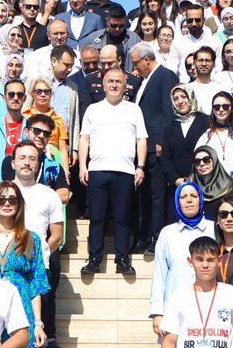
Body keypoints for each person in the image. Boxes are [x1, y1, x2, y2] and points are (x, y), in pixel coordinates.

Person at [78, 67, 148, 276]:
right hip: (97, 170)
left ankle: (122, 259)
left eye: (118, 81)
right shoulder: (93, 109)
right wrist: (82, 166)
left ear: (125, 85)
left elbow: (141, 140)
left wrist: (140, 166)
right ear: (103, 85)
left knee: (122, 217)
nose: (114, 85)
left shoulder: (134, 110)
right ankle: (94, 259)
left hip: (125, 171)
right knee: (97, 218)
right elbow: (84, 139)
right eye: (110, 81)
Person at [9, 138, 67, 348]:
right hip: (7, 265)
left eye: (32, 159)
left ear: (39, 163)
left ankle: (47, 345)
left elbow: (57, 235)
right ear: (13, 163)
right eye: (22, 158)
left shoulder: (49, 195)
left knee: (45, 307)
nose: (27, 163)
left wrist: (39, 256)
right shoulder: (2, 192)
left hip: (40, 263)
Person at [0, 183, 49, 348]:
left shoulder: (31, 238)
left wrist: (38, 323)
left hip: (21, 306)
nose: (7, 203)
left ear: (19, 204)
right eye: (1, 200)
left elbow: (36, 284)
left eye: (12, 200)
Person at [150, 182, 215, 337]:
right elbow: (159, 274)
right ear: (177, 202)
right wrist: (157, 312)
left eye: (194, 196)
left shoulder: (214, 229)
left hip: (209, 305)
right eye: (183, 197)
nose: (189, 200)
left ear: (201, 200)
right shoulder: (167, 233)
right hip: (175, 308)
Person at [131, 43, 179, 254]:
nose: (134, 67)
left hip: (157, 145)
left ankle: (157, 237)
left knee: (158, 194)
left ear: (146, 60)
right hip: (143, 147)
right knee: (144, 195)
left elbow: (169, 112)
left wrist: (162, 141)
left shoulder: (165, 76)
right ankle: (144, 235)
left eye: (136, 63)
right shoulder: (145, 80)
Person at [157, 86, 210, 228]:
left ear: (191, 97)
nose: (180, 101)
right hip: (178, 187)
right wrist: (176, 180)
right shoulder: (170, 127)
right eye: (175, 99)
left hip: (203, 184)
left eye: (183, 97)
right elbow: (165, 158)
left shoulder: (206, 121)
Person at [198, 92, 233, 176]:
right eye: (216, 107)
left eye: (225, 106)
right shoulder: (206, 137)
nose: (221, 110)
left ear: (232, 108)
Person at [172, 6, 223, 81]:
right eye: (190, 20)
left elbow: (220, 68)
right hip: (185, 86)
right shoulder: (177, 43)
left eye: (197, 20)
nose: (194, 24)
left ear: (204, 20)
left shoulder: (215, 42)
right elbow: (172, 69)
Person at [22, 77, 69, 158]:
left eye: (47, 92)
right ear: (32, 94)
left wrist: (64, 166)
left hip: (53, 159)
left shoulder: (58, 119)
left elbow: (62, 148)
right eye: (38, 91)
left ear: (51, 95)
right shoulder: (24, 116)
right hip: (29, 157)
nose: (43, 95)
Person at [189, 145, 233, 219]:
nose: (201, 164)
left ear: (214, 160)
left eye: (206, 160)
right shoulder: (189, 187)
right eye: (197, 161)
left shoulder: (229, 186)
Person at [185, 48, 227, 117]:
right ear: (195, 63)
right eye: (200, 60)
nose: (204, 64)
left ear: (213, 64)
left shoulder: (222, 89)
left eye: (207, 60)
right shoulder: (186, 89)